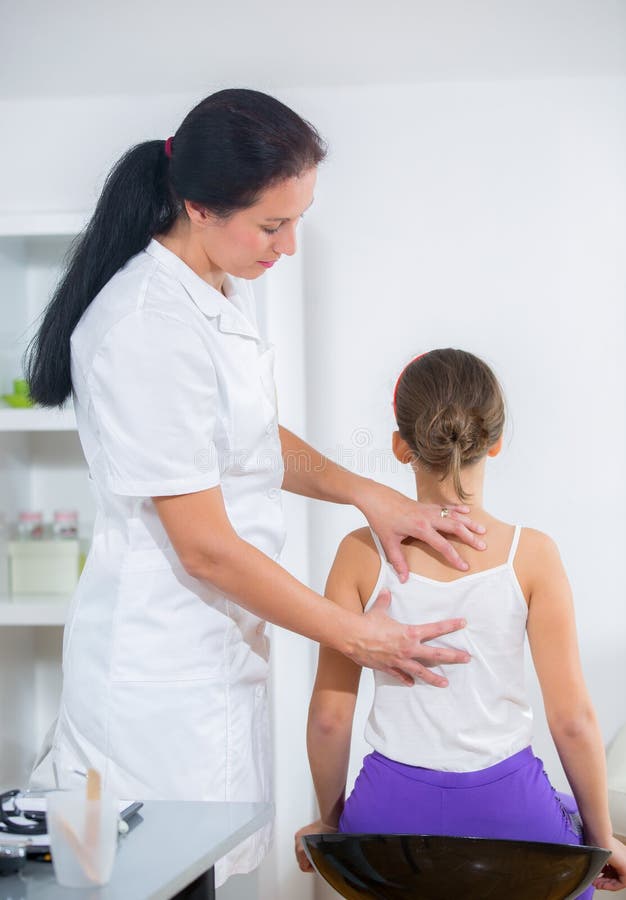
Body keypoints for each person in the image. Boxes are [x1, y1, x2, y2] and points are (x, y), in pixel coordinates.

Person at [25, 90, 487, 887]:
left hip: (213, 659)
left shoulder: (210, 294)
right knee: (148, 877)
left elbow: (242, 442)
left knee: (196, 867)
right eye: (273, 226)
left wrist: (366, 494)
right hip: (155, 674)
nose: (291, 247)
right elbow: (205, 549)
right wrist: (357, 636)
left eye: (299, 220)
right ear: (198, 207)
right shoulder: (146, 325)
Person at [295, 349, 626, 894]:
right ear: (494, 441)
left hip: (388, 811)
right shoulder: (533, 555)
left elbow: (330, 719)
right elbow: (572, 722)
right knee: (569, 841)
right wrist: (602, 838)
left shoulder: (359, 554)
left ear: (401, 446)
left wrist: (332, 824)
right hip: (508, 805)